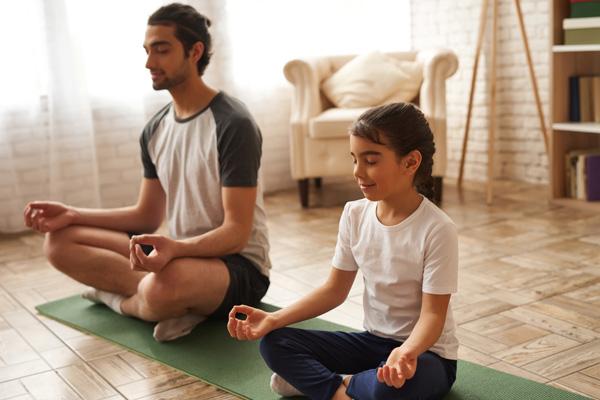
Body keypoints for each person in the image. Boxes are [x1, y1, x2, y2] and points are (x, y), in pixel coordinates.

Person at [23, 3, 270, 342]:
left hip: (237, 268)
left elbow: (236, 233)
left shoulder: (233, 124)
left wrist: (174, 250)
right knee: (60, 241)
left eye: (162, 50)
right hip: (178, 255)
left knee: (165, 284)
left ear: (195, 51)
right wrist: (72, 214)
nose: (149, 63)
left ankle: (120, 300)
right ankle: (166, 302)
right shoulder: (155, 129)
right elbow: (146, 216)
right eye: (147, 50)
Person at [228, 103, 458, 400]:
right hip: (372, 343)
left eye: (371, 160)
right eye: (355, 159)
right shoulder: (354, 214)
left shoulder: (438, 228)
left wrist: (406, 353)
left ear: (411, 162)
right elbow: (334, 290)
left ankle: (325, 385)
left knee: (393, 387)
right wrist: (274, 319)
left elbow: (433, 316)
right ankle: (344, 389)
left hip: (426, 355)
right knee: (275, 342)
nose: (357, 172)